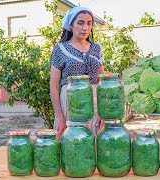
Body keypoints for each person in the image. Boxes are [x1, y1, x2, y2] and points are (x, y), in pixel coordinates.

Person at [50, 6, 104, 139]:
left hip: (95, 103)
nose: (85, 28)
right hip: (70, 103)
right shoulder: (60, 49)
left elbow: (102, 81)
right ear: (71, 25)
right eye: (80, 23)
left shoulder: (96, 49)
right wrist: (59, 116)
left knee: (95, 142)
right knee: (72, 143)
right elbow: (54, 85)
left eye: (89, 23)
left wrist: (103, 113)